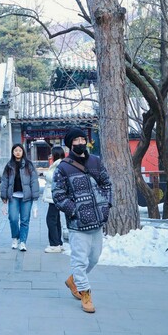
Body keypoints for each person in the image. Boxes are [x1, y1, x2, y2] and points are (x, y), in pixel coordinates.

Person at [52, 128, 112, 313]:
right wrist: (75, 211)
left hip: (97, 220)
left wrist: (105, 206)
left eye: (82, 139)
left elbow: (107, 184)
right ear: (70, 144)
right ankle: (85, 294)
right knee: (79, 261)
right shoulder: (63, 167)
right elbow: (58, 195)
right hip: (78, 224)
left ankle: (73, 280)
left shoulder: (96, 161)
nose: (80, 143)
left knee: (93, 258)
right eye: (76, 140)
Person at [0, 143, 39, 252]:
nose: (18, 152)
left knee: (24, 220)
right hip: (13, 197)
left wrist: (35, 198)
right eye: (15, 150)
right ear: (13, 152)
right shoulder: (9, 165)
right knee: (13, 218)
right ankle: (15, 238)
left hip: (26, 197)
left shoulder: (28, 165)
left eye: (20, 150)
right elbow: (4, 181)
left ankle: (22, 241)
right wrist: (4, 196)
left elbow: (34, 181)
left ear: (23, 152)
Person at [43, 145, 66, 253]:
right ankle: (59, 243)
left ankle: (55, 244)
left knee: (51, 220)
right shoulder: (59, 163)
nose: (50, 155)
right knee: (55, 220)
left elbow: (55, 178)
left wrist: (44, 174)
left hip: (55, 196)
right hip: (56, 196)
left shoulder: (59, 164)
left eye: (52, 153)